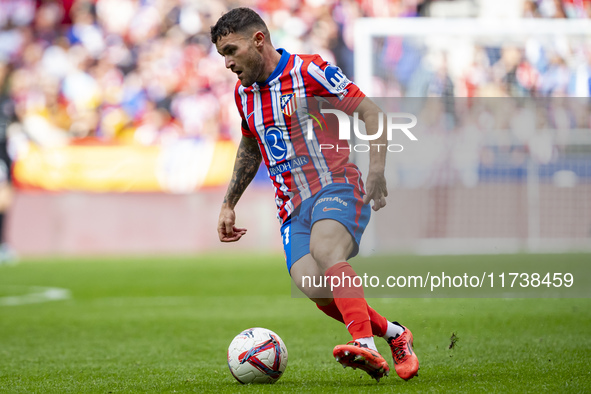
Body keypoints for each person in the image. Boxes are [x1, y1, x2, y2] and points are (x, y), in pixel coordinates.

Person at [211, 7, 418, 382]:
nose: (227, 63)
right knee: (314, 285)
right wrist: (229, 203)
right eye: (222, 55)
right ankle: (394, 334)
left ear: (258, 40)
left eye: (231, 50)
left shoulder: (309, 71)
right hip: (291, 207)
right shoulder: (244, 95)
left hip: (336, 183)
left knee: (326, 251)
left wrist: (376, 169)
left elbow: (372, 113)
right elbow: (251, 146)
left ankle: (365, 347)